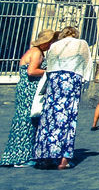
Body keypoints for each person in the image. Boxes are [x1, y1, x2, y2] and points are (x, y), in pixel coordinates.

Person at [33, 26, 93, 169]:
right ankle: (63, 161)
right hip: (72, 80)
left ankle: (46, 156)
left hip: (54, 80)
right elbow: (87, 63)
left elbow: (50, 64)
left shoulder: (54, 46)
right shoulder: (81, 44)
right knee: (68, 118)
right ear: (75, 34)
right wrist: (86, 82)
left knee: (49, 117)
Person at [1, 29, 55, 166]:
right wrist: (48, 71)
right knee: (28, 121)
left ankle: (17, 155)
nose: (50, 45)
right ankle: (21, 157)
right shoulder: (37, 53)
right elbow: (31, 71)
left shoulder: (31, 51)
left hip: (24, 88)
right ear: (45, 42)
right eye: (50, 42)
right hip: (30, 90)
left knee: (22, 120)